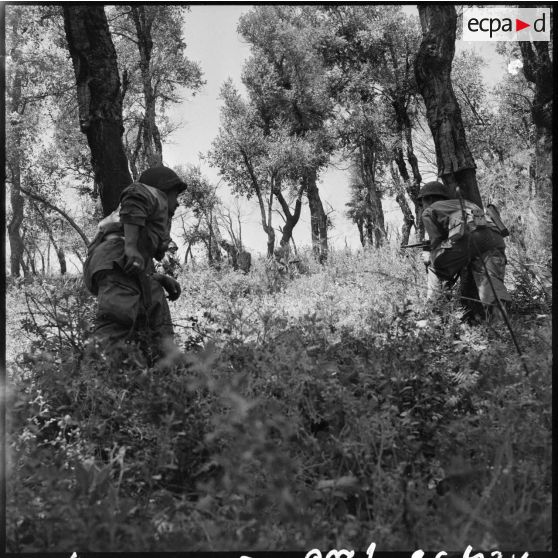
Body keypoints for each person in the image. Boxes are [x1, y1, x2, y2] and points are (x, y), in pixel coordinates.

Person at [83, 166, 186, 358]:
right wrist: (130, 246)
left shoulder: (150, 217)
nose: (178, 203)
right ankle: (95, 377)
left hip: (124, 267)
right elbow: (134, 193)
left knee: (155, 313)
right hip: (117, 260)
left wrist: (159, 278)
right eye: (175, 195)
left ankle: (164, 372)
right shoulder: (150, 194)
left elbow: (136, 258)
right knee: (118, 323)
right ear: (162, 189)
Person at [419, 181, 511, 320]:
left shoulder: (430, 210)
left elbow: (436, 242)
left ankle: (433, 314)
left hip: (469, 237)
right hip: (495, 237)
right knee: (491, 282)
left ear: (429, 199)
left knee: (435, 265)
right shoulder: (466, 203)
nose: (422, 206)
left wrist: (429, 254)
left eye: (422, 203)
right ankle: (502, 323)